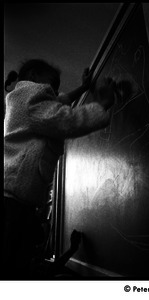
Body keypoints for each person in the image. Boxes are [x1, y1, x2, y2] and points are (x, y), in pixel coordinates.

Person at [3, 58, 115, 279]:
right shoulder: (28, 98)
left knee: (14, 265)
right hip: (12, 204)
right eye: (53, 84)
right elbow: (66, 119)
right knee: (10, 267)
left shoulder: (26, 103)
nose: (56, 91)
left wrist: (83, 88)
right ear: (33, 77)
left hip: (16, 201)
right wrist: (101, 105)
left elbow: (59, 102)